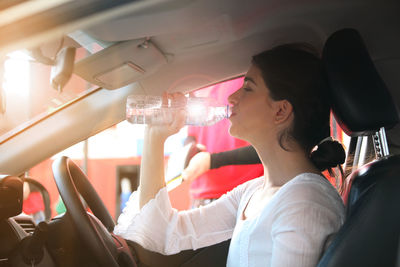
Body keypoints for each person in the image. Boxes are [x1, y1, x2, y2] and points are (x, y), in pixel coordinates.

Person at [114, 43, 346, 266]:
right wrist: (155, 136)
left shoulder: (303, 203)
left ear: (281, 110)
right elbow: (163, 232)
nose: (232, 98)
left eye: (248, 88)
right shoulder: (254, 191)